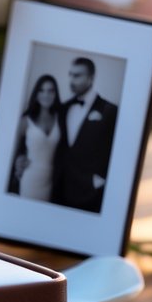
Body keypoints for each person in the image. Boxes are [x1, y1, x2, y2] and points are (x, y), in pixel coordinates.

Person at [53, 56, 118, 213]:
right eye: (70, 74)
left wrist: (99, 180)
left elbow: (114, 149)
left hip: (91, 194)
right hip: (59, 192)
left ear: (91, 78)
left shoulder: (110, 110)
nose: (72, 80)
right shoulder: (63, 108)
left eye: (77, 75)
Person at [8, 74, 61, 201]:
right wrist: (18, 161)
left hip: (51, 181)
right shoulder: (26, 120)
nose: (46, 95)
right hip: (29, 177)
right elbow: (14, 151)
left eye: (50, 91)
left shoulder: (61, 118)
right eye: (41, 90)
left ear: (55, 93)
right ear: (36, 94)